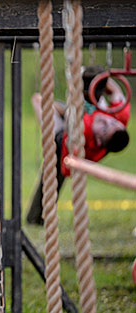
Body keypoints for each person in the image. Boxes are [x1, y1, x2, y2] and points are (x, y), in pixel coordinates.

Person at [26, 65, 131, 225]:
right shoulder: (118, 117)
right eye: (112, 123)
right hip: (77, 115)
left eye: (104, 129)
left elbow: (71, 119)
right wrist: (101, 78)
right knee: (88, 97)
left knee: (39, 101)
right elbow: (116, 92)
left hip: (63, 142)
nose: (107, 121)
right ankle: (35, 217)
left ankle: (35, 217)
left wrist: (76, 84)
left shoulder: (85, 136)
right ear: (120, 124)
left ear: (97, 141)